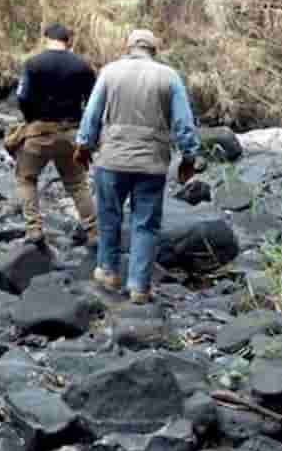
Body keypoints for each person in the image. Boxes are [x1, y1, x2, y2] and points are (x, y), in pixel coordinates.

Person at [73, 28, 200, 304]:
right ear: (154, 50)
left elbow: (92, 114)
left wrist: (84, 146)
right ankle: (139, 287)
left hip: (112, 159)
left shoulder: (110, 72)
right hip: (152, 163)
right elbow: (183, 123)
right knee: (146, 225)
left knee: (109, 216)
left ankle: (108, 271)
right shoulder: (169, 76)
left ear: (128, 47)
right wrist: (188, 158)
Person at [12, 22, 98, 247]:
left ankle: (34, 229)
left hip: (38, 131)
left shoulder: (33, 63)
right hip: (70, 133)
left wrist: (31, 119)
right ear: (68, 41)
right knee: (78, 184)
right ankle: (93, 231)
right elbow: (93, 104)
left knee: (26, 178)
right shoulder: (83, 66)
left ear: (46, 38)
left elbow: (22, 97)